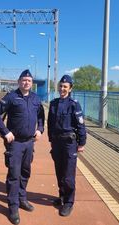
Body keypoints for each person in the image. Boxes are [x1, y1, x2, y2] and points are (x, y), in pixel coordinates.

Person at [0, 69, 45, 225]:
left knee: (25, 172)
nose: (26, 82)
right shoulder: (11, 97)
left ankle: (22, 199)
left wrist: (40, 129)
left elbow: (41, 116)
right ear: (19, 81)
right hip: (14, 143)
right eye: (23, 80)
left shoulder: (36, 98)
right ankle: (13, 207)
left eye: (29, 80)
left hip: (29, 142)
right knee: (14, 175)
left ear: (32, 83)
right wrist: (5, 131)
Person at [47, 74, 86, 217]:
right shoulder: (53, 103)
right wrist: (51, 139)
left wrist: (82, 143)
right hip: (57, 143)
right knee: (59, 171)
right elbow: (50, 123)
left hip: (69, 143)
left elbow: (81, 125)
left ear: (70, 89)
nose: (62, 88)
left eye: (65, 87)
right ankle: (62, 196)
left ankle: (69, 202)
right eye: (61, 86)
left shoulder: (74, 104)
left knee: (68, 175)